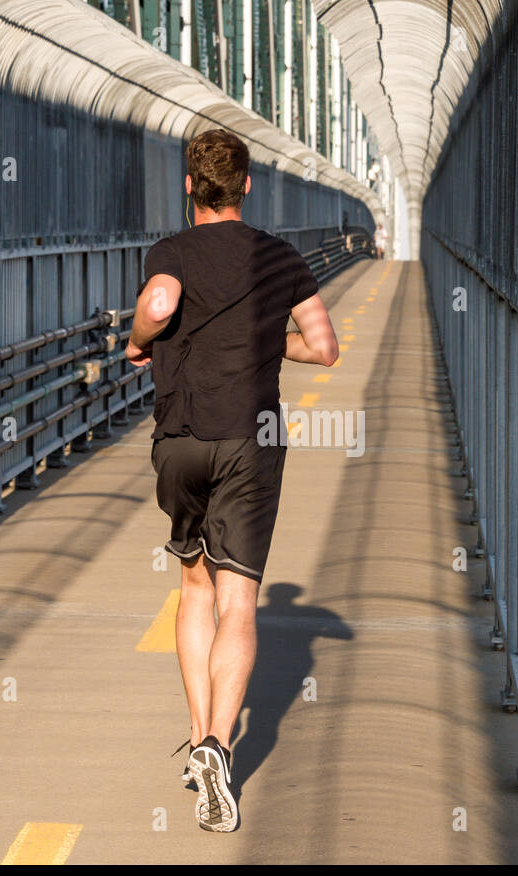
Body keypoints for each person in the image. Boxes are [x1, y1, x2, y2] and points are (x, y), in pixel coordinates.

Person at [125, 128, 339, 832]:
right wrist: (263, 337)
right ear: (248, 185)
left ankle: (198, 740)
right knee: (238, 602)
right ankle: (220, 740)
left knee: (193, 587)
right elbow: (325, 347)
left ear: (189, 186)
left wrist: (137, 341)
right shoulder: (280, 257)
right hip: (252, 440)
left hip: (181, 439)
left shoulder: (171, 252)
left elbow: (158, 306)